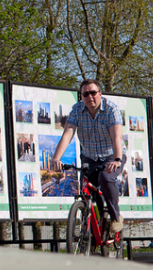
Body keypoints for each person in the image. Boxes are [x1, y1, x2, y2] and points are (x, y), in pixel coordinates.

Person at [51, 78, 125, 233]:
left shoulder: (111, 109)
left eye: (93, 93)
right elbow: (67, 134)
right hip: (89, 157)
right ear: (81, 96)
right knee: (87, 190)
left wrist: (117, 159)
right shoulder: (77, 110)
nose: (90, 97)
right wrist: (56, 158)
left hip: (111, 155)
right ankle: (93, 227)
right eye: (85, 94)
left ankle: (115, 216)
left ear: (100, 93)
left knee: (105, 178)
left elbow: (116, 137)